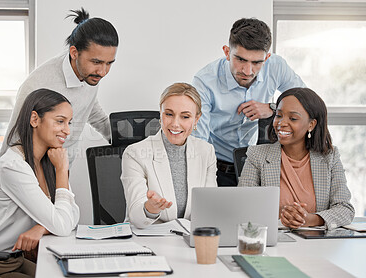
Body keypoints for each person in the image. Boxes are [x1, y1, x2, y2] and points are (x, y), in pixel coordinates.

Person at [0, 89, 80, 277]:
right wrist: (62, 171)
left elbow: (72, 215)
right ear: (34, 119)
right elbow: (62, 224)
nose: (67, 130)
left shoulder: (49, 160)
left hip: (16, 258)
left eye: (69, 123)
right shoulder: (13, 166)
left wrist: (42, 228)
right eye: (60, 121)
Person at [192, 18, 305, 187]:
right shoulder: (205, 81)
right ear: (226, 52)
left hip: (257, 164)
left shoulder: (276, 66)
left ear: (266, 57)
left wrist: (272, 108)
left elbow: (305, 100)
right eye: (241, 60)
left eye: (257, 62)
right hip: (217, 168)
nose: (247, 71)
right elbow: (198, 140)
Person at [0, 8, 119, 165]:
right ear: (74, 52)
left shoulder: (90, 75)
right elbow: (16, 139)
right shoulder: (38, 85)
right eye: (96, 62)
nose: (103, 72)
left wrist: (126, 143)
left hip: (61, 166)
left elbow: (92, 112)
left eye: (109, 63)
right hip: (28, 169)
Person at [238, 87, 354, 230]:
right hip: (272, 240)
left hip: (317, 243)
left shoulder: (330, 157)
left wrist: (310, 219)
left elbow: (345, 209)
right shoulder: (257, 155)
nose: (282, 123)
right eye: (279, 115)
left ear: (311, 124)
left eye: (293, 118)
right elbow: (243, 206)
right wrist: (283, 216)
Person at [121, 83, 217, 229]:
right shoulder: (135, 153)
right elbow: (136, 218)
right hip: (148, 238)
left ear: (196, 119)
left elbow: (210, 207)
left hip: (188, 240)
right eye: (169, 114)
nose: (175, 124)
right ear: (160, 114)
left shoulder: (206, 151)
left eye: (185, 116)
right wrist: (151, 208)